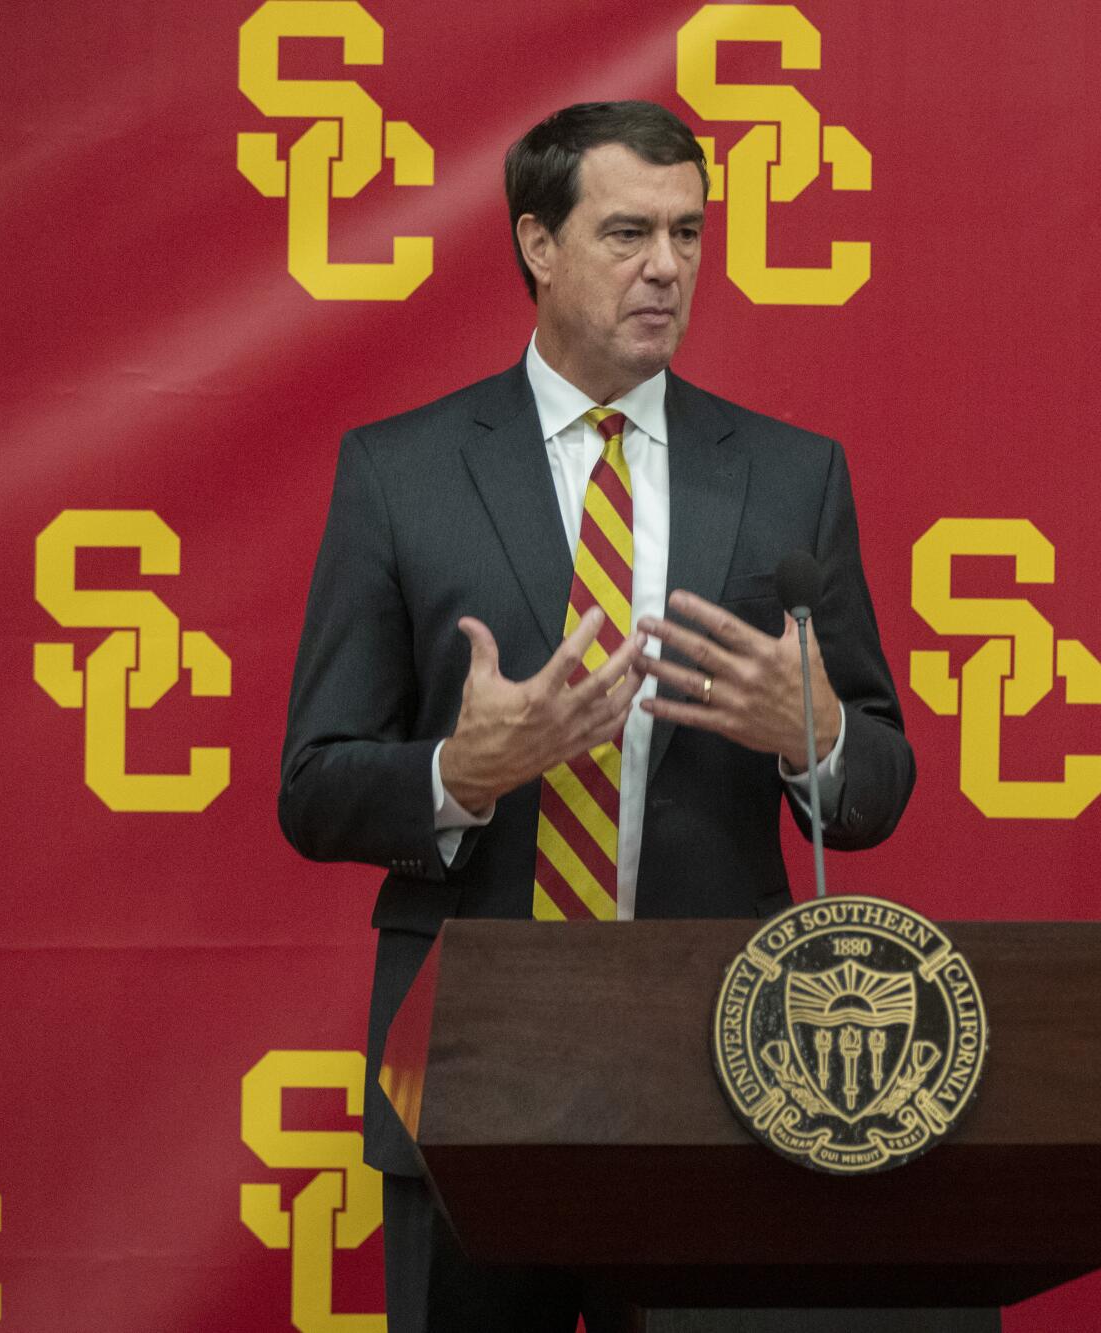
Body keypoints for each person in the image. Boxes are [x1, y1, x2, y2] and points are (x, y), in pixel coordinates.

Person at [278, 101, 914, 1333]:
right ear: (536, 243)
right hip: (473, 1062)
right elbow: (313, 785)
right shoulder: (400, 472)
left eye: (687, 232)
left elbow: (877, 786)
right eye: (627, 232)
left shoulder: (789, 476)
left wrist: (815, 738)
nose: (666, 267)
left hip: (723, 1065)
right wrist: (461, 773)